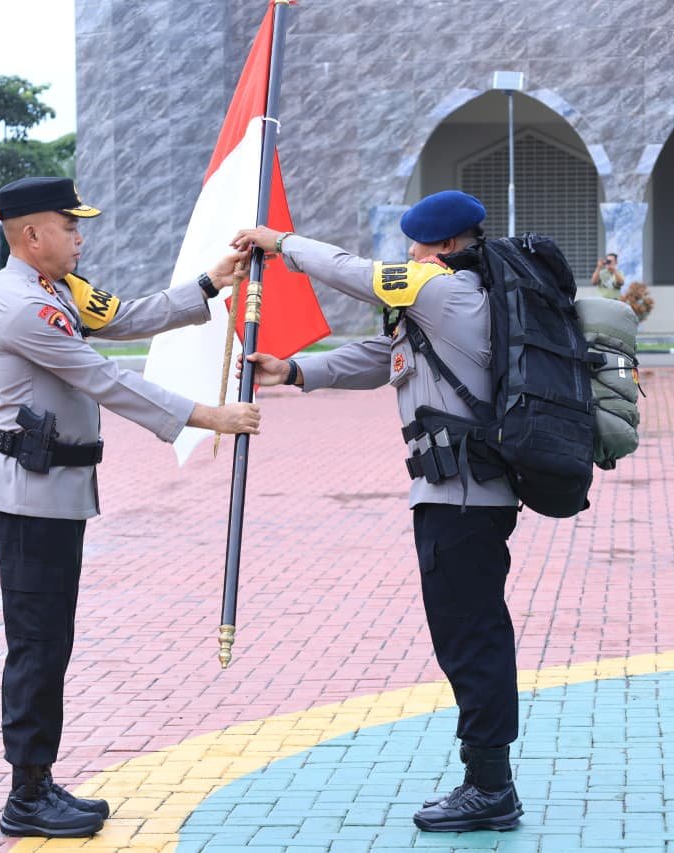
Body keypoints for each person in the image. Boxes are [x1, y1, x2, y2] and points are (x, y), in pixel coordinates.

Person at [233, 190, 523, 834]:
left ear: (446, 247)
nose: (410, 256)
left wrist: (282, 244)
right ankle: (488, 781)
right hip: (460, 496)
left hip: (464, 497)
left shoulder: (442, 290)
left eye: (419, 246)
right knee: (468, 634)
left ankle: (490, 788)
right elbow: (383, 358)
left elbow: (357, 274)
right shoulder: (449, 302)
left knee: (471, 638)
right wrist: (296, 371)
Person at [0, 177, 261, 839]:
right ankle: (26, 793)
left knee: (51, 642)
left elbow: (123, 315)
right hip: (29, 502)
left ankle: (40, 780)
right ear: (31, 235)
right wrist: (207, 415)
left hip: (52, 496)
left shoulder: (57, 290)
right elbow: (104, 376)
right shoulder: (23, 305)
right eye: (70, 226)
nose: (81, 237)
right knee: (37, 646)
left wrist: (207, 285)